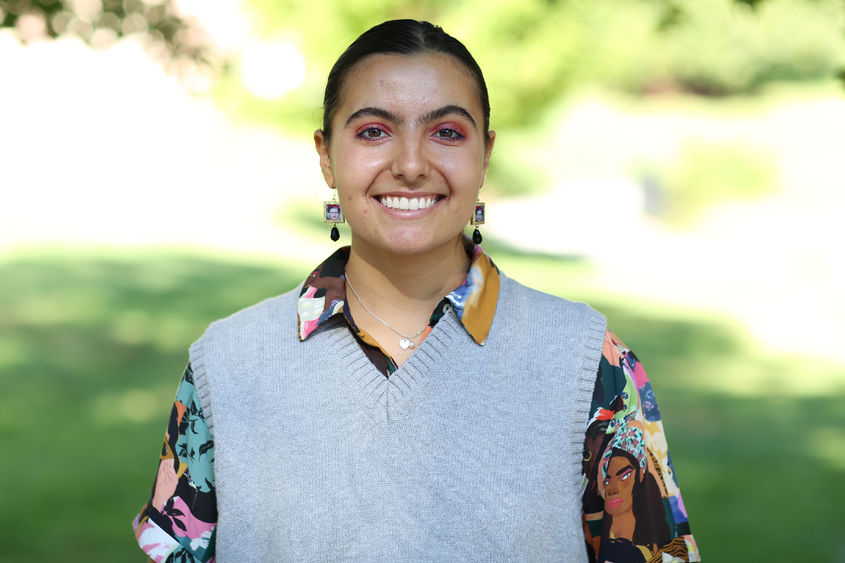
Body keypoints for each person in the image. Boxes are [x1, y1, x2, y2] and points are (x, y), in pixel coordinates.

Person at [131, 19, 700, 562]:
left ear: (485, 155)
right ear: (326, 156)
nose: (410, 164)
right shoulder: (227, 362)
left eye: (446, 132)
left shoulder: (589, 362)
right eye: (374, 131)